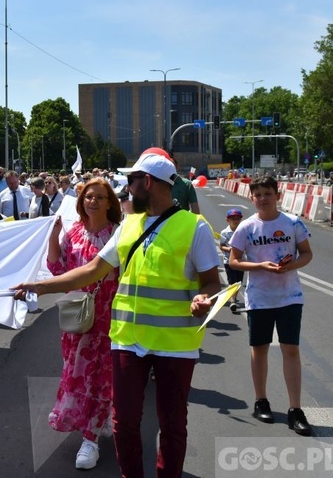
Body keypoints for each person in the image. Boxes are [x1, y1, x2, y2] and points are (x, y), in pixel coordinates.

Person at [13, 152, 221, 477]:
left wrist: (204, 297)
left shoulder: (195, 228)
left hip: (175, 346)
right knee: (123, 424)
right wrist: (39, 287)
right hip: (127, 341)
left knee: (172, 426)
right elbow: (92, 270)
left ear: (147, 183)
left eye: (131, 181)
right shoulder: (129, 225)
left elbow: (211, 279)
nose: (126, 187)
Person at [227, 175, 313, 436]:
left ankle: (295, 409)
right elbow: (234, 261)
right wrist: (260, 266)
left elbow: (307, 253)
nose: (263, 198)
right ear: (251, 198)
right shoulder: (246, 228)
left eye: (268, 193)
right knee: (260, 349)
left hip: (289, 296)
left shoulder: (293, 223)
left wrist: (290, 266)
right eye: (258, 194)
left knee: (290, 349)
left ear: (278, 195)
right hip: (259, 298)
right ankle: (261, 400)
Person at [46, 179, 122, 469]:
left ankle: (90, 440)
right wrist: (54, 235)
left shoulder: (117, 234)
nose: (93, 201)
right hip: (77, 319)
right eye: (89, 197)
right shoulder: (74, 232)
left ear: (109, 203)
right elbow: (57, 268)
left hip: (108, 319)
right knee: (77, 375)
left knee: (101, 377)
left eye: (100, 197)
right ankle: (93, 422)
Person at [219, 208, 245, 313]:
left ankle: (234, 298)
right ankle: (232, 300)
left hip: (241, 261)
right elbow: (221, 246)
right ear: (228, 220)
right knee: (232, 281)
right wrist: (229, 249)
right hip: (229, 261)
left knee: (238, 282)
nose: (236, 221)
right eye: (233, 219)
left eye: (238, 219)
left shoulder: (243, 231)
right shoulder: (225, 232)